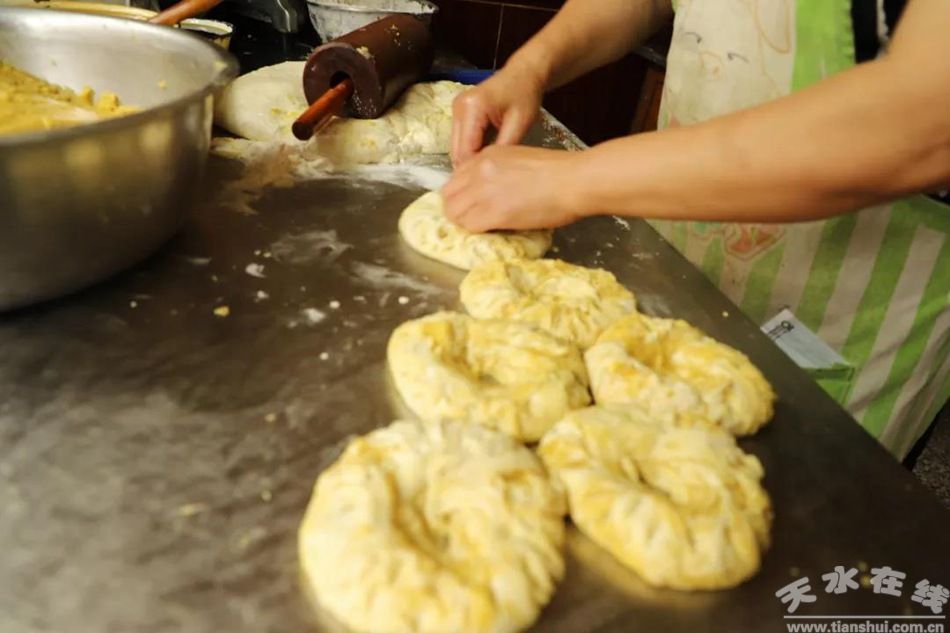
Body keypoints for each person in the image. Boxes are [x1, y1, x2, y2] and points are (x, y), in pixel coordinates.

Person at [442, 0, 950, 459]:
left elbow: (926, 121)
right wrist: (532, 67)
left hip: (840, 317)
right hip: (676, 264)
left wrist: (573, 180)